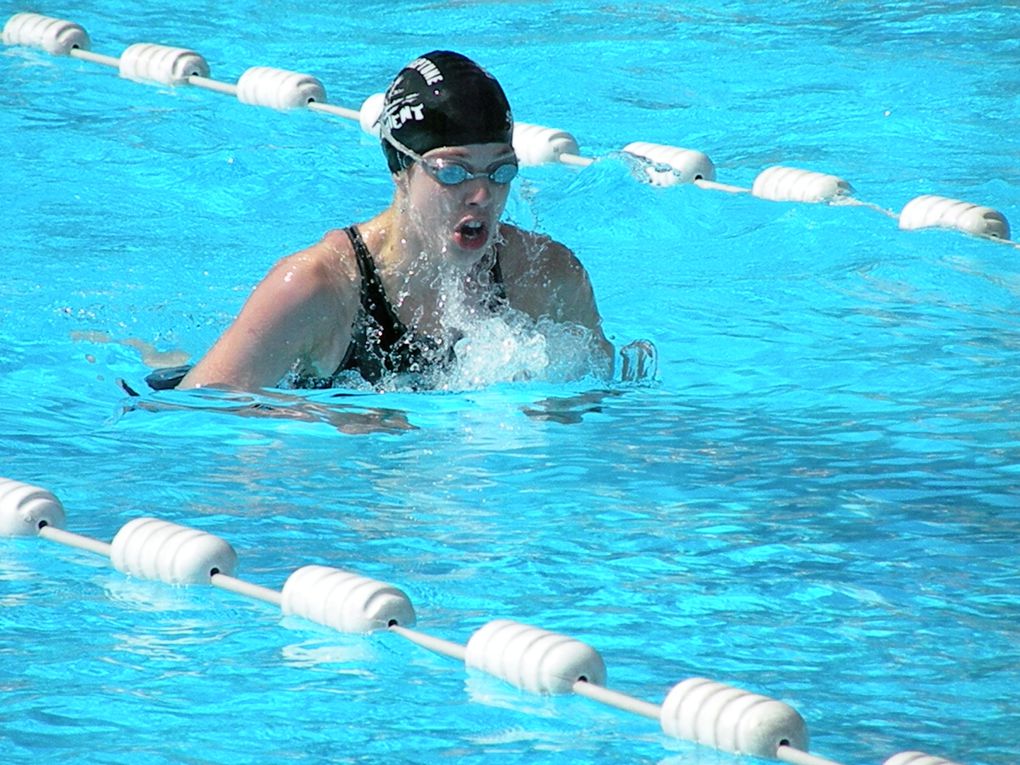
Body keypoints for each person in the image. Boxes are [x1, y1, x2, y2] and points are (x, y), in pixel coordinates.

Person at [178, 50, 613, 392]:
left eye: (501, 172)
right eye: (453, 172)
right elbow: (197, 409)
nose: (482, 195)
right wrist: (327, 421)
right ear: (400, 168)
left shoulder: (546, 276)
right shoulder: (319, 286)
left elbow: (603, 396)